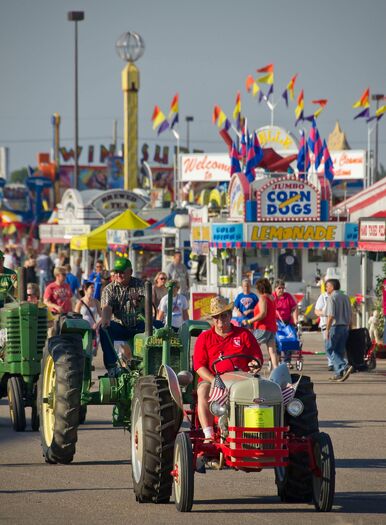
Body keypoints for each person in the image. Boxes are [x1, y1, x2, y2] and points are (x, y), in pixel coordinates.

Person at [193, 296, 263, 440]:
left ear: (230, 315)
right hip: (214, 379)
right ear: (212, 319)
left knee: (261, 391)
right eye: (216, 317)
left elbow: (257, 357)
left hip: (241, 378)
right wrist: (214, 381)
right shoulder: (205, 338)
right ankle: (209, 434)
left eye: (223, 316)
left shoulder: (244, 335)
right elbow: (199, 366)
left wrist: (255, 365)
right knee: (203, 390)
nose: (220, 321)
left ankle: (257, 430)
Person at [98, 258, 145, 377]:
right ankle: (112, 367)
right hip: (120, 326)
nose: (119, 275)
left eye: (122, 272)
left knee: (158, 327)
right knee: (105, 329)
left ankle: (154, 363)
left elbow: (147, 305)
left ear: (131, 272)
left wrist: (137, 301)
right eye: (116, 272)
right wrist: (106, 320)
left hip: (138, 325)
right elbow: (107, 307)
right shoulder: (109, 289)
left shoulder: (140, 285)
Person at [243, 278, 279, 369]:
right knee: (272, 351)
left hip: (262, 328)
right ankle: (276, 369)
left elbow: (263, 314)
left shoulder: (263, 298)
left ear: (260, 288)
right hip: (272, 328)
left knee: (252, 348)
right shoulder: (272, 298)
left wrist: (249, 321)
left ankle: (253, 367)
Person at [325, 279, 353, 382]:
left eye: (327, 286)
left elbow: (331, 316)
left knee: (329, 349)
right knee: (339, 351)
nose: (326, 288)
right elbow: (351, 314)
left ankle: (343, 366)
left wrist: (327, 329)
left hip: (334, 327)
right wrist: (350, 326)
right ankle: (339, 373)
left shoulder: (332, 297)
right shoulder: (345, 297)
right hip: (345, 327)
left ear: (332, 287)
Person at [273, 279, 298, 366]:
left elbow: (294, 308)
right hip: (276, 322)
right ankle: (278, 358)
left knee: (289, 339)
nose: (281, 290)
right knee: (277, 340)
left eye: (283, 288)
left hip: (287, 321)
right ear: (275, 289)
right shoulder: (272, 297)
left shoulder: (288, 296)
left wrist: (295, 319)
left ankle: (287, 360)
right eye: (279, 288)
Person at [314, 288, 334, 371]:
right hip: (325, 324)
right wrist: (325, 313)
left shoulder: (339, 296)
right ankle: (331, 363)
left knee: (336, 345)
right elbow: (316, 311)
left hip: (337, 324)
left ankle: (337, 363)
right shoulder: (323, 297)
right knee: (328, 345)